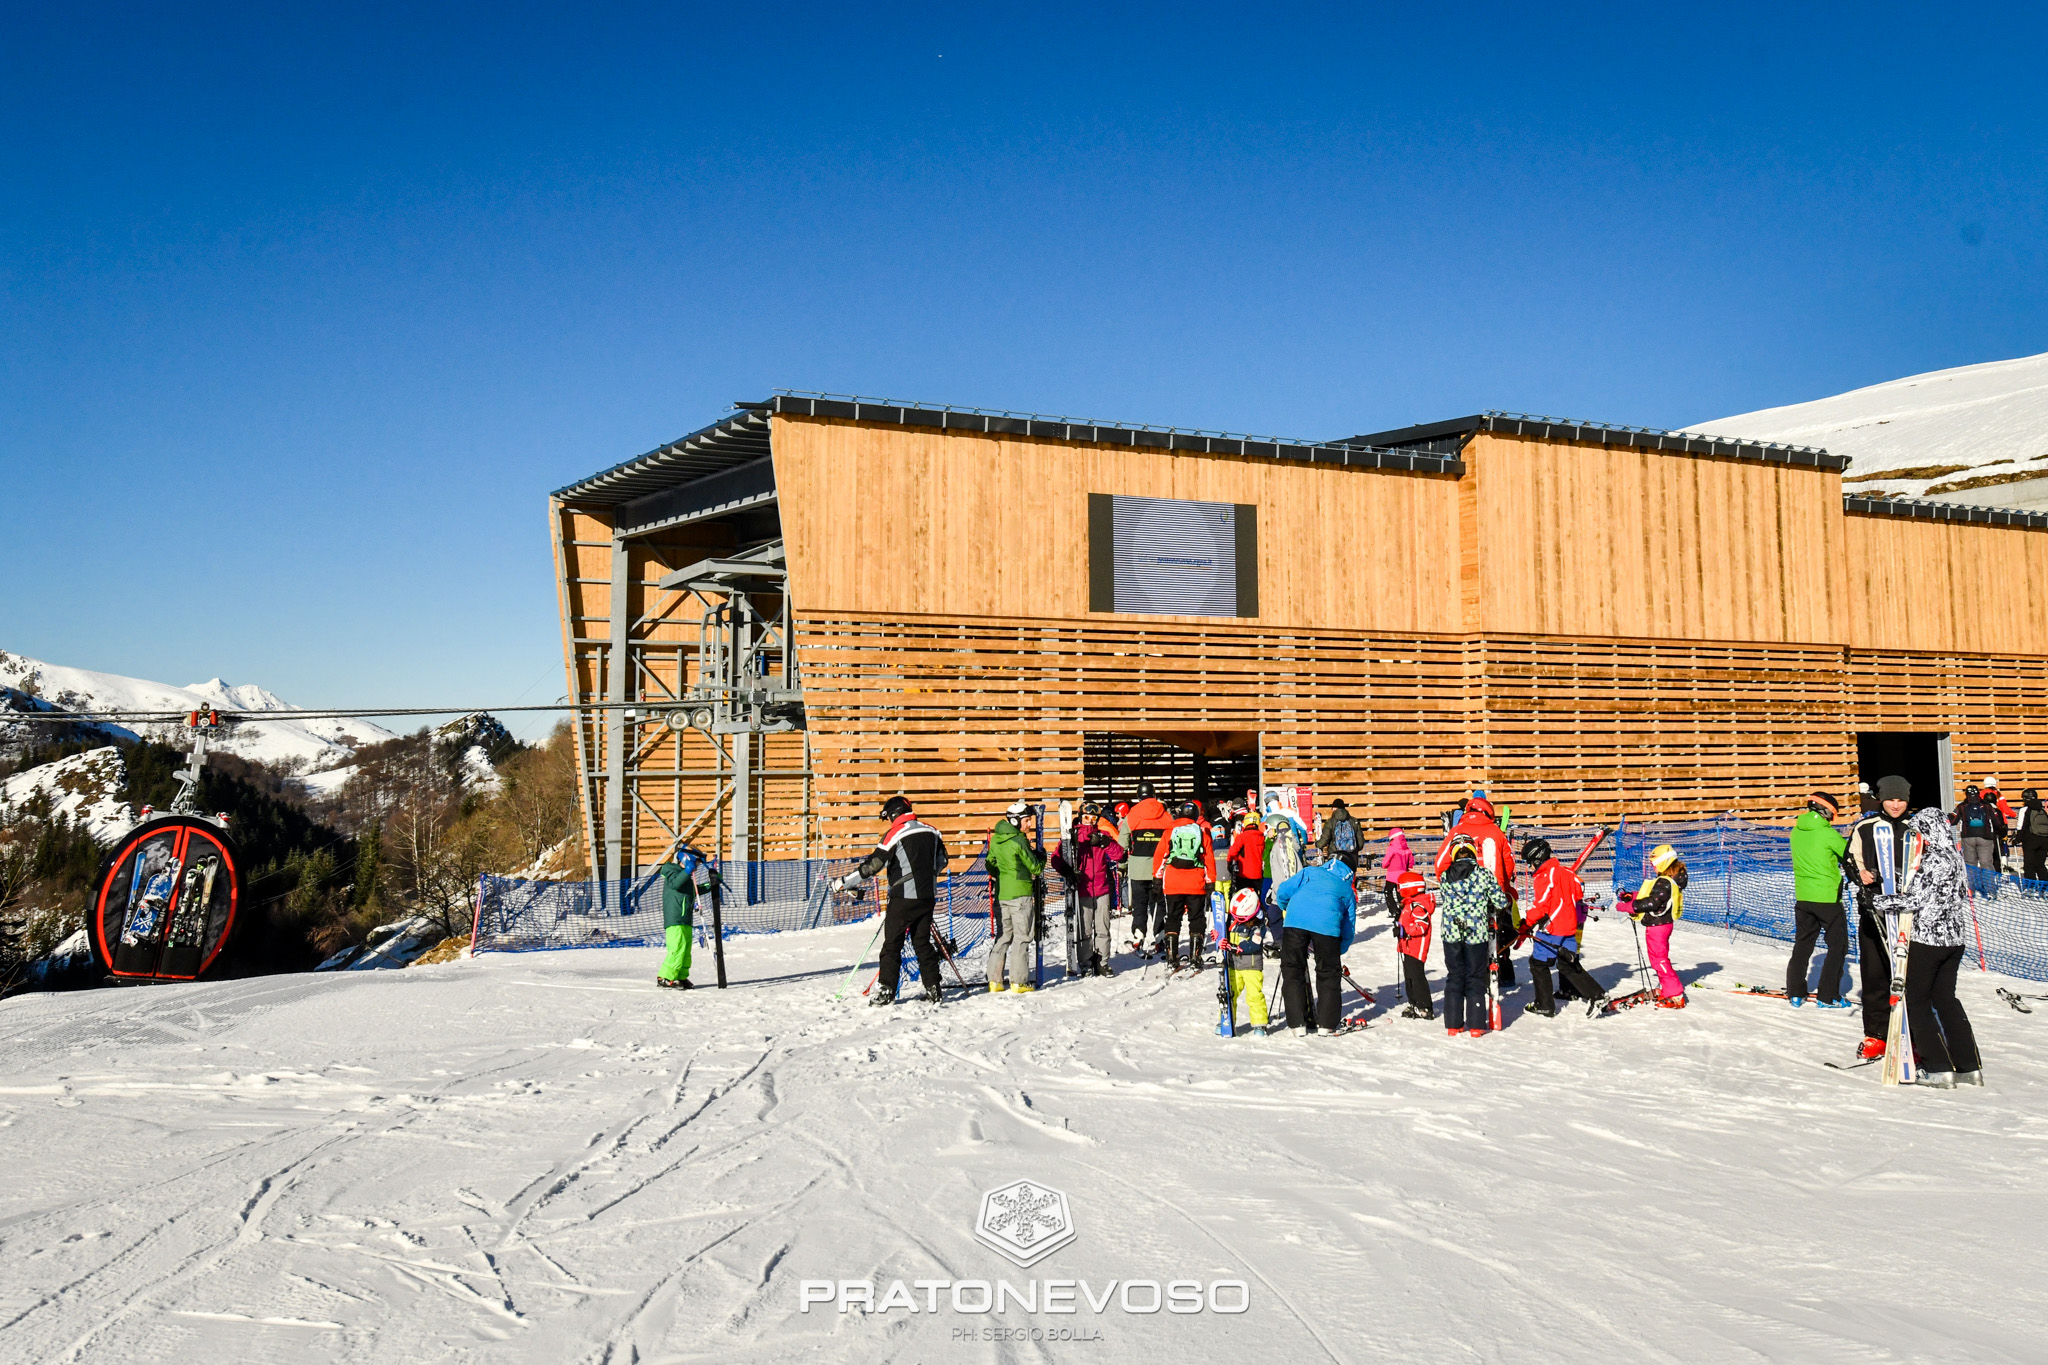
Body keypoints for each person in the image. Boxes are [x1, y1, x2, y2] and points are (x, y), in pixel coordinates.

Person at [1885, 806, 1984, 1087]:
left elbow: (1915, 900)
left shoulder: (1931, 859)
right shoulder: (1955, 856)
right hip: (1954, 940)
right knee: (1945, 999)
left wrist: (1879, 903)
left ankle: (1937, 1066)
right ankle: (1968, 1066)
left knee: (1917, 1000)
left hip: (1929, 940)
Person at [833, 795, 951, 1005]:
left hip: (903, 899)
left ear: (894, 813)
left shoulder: (895, 833)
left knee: (892, 946)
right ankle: (934, 988)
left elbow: (872, 866)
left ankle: (886, 990)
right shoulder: (932, 830)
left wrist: (845, 882)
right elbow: (942, 860)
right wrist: (926, 878)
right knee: (922, 943)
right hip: (927, 897)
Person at [1847, 775, 1912, 1060]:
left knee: (1909, 976)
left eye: (1901, 799)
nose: (1896, 805)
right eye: (1891, 799)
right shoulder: (1866, 827)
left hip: (1911, 915)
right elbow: (1851, 860)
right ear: (1881, 799)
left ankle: (1914, 1033)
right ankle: (1877, 1034)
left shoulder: (1916, 828)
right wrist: (1859, 874)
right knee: (1875, 974)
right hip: (1874, 910)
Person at [1435, 796, 1518, 989]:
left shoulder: (1457, 832)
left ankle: (1470, 982)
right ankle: (1500, 976)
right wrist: (1503, 889)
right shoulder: (1496, 833)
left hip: (1462, 899)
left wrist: (1451, 887)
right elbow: (1509, 866)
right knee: (1495, 937)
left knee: (1463, 940)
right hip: (1493, 897)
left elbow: (1440, 865)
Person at [1271, 855, 1357, 1034]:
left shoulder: (1310, 872)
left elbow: (1283, 891)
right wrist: (1338, 950)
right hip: (1328, 928)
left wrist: (1286, 906)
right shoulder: (1346, 889)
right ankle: (1327, 1024)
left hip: (1295, 921)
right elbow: (1348, 926)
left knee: (1292, 970)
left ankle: (1297, 1024)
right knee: (1328, 974)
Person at [1521, 837, 1606, 1017]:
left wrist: (1526, 923)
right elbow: (1578, 890)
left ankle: (1544, 1005)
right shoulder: (1566, 872)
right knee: (1567, 963)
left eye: (1530, 863)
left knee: (1538, 964)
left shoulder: (1544, 876)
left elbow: (1541, 906)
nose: (1531, 868)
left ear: (1537, 859)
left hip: (1551, 927)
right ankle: (1575, 992)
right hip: (1570, 925)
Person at [1435, 840, 1509, 1035]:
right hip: (1476, 932)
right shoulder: (1484, 874)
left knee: (1455, 976)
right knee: (1475, 977)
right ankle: (1476, 1025)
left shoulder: (1445, 876)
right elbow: (1501, 901)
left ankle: (1453, 1024)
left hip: (1451, 933)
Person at [1786, 791, 1851, 1008]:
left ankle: (1795, 992)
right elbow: (1848, 855)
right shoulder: (1827, 834)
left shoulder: (1796, 831)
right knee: (1838, 946)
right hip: (1827, 898)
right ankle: (1828, 995)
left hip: (1803, 897)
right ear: (1826, 812)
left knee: (1803, 944)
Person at [1051, 814, 1125, 977]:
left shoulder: (1102, 835)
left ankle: (1102, 962)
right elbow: (1056, 858)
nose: (1090, 821)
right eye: (1086, 817)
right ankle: (1086, 963)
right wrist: (1068, 871)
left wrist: (1105, 843)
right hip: (1083, 889)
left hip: (1101, 888)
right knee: (1084, 929)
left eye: (1093, 817)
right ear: (1080, 817)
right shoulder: (1073, 836)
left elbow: (1119, 855)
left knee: (1103, 928)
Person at [986, 800, 1046, 993]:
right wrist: (1042, 856)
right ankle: (1018, 981)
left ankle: (995, 981)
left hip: (1003, 894)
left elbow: (990, 864)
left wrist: (1004, 874)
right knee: (1023, 936)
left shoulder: (996, 839)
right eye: (1027, 820)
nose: (1029, 825)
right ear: (1015, 821)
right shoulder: (1019, 840)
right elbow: (1035, 866)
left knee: (1004, 936)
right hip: (1021, 894)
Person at [1153, 800, 1217, 969]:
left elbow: (1161, 856)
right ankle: (1195, 957)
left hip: (1173, 882)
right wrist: (1210, 882)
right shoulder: (1202, 832)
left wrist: (1157, 879)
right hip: (1196, 882)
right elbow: (1209, 858)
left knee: (1173, 917)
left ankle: (1171, 956)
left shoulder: (1170, 831)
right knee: (1196, 918)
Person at [1625, 843, 1689, 1007]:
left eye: (1654, 864)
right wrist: (1632, 896)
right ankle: (1667, 988)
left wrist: (1632, 906)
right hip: (1660, 925)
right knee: (1656, 959)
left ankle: (1675, 994)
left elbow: (1653, 902)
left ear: (1663, 862)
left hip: (1658, 926)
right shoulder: (1668, 881)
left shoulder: (1664, 882)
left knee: (1660, 960)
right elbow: (1655, 896)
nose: (1653, 868)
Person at [655, 846, 721, 988]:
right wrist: (687, 871)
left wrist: (711, 884)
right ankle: (665, 977)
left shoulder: (685, 876)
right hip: (675, 917)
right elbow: (675, 884)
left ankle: (681, 976)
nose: (696, 868)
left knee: (685, 950)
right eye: (696, 864)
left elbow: (694, 890)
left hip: (685, 917)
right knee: (677, 948)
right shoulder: (672, 871)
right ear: (687, 860)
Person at [1120, 783, 1173, 953]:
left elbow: (1123, 843)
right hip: (1160, 869)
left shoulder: (1132, 815)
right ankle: (1160, 937)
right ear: (1154, 794)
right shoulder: (1165, 815)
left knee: (1139, 903)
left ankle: (1138, 936)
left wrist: (1122, 865)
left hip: (1137, 867)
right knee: (1158, 904)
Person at [1220, 888, 1272, 1034]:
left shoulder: (1258, 926)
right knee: (1229, 994)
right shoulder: (1233, 922)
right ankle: (1226, 1021)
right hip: (1233, 966)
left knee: (1254, 996)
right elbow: (1225, 936)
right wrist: (1219, 936)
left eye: (1240, 918)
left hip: (1252, 967)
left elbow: (1254, 944)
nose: (1236, 920)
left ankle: (1259, 1024)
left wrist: (1237, 947)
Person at [1392, 868, 1435, 1019]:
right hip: (1408, 947)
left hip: (1416, 948)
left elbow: (1421, 927)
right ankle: (1414, 1003)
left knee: (1416, 976)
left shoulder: (1419, 906)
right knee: (1409, 975)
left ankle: (1424, 1006)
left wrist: (1404, 931)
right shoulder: (1409, 904)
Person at [1952, 783, 2003, 896]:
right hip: (1985, 838)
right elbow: (1997, 822)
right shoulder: (1987, 806)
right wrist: (1997, 832)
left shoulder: (1961, 806)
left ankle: (1971, 891)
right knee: (1986, 864)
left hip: (1968, 837)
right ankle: (1991, 892)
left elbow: (1952, 820)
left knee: (1970, 864)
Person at [1224, 810, 1267, 914]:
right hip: (1258, 875)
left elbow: (1232, 852)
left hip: (1244, 875)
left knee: (1243, 899)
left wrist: (1229, 863)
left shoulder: (1243, 837)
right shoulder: (1262, 837)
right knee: (1256, 898)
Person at [1317, 798, 1365, 870]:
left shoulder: (1330, 822)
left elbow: (1324, 840)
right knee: (1350, 879)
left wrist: (1317, 844)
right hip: (1351, 858)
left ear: (1334, 809)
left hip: (1336, 857)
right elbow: (1360, 843)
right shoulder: (1354, 821)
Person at [1381, 827, 1414, 916]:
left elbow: (1386, 860)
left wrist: (1384, 865)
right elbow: (1411, 861)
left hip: (1392, 875)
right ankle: (1403, 909)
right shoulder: (1407, 849)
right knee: (1400, 893)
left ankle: (1393, 910)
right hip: (1402, 875)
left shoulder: (1392, 848)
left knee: (1388, 891)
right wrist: (1409, 867)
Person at [2017, 788, 2048, 883]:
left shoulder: (2024, 810)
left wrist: (2018, 838)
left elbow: (2021, 826)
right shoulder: (2041, 810)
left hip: (2030, 840)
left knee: (2029, 864)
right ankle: (2045, 887)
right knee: (2040, 864)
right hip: (2044, 840)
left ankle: (2030, 887)